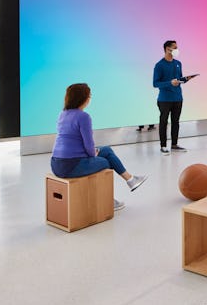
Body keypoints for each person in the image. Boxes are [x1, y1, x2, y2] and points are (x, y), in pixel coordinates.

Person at [50, 83, 148, 211]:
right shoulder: (83, 116)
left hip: (56, 164)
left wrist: (92, 153)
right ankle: (107, 201)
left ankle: (131, 179)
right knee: (106, 162)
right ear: (83, 98)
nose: (90, 98)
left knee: (106, 149)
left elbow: (75, 143)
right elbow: (88, 144)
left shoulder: (63, 114)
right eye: (89, 95)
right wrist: (92, 154)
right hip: (71, 165)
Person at [153, 40, 192, 155]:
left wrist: (185, 79)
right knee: (163, 122)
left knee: (176, 122)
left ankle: (174, 144)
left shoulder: (178, 63)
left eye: (176, 47)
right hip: (164, 99)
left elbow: (179, 79)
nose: (176, 50)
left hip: (178, 98)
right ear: (167, 49)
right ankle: (163, 146)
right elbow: (155, 83)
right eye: (174, 48)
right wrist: (170, 83)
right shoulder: (159, 65)